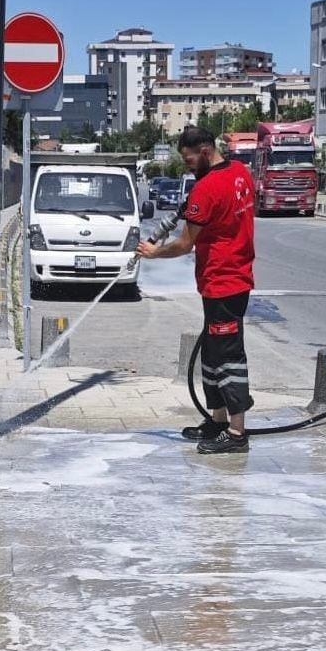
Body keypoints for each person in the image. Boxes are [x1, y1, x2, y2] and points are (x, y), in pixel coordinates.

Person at [138, 126, 257, 455]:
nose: (187, 166)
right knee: (213, 354)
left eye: (189, 160)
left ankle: (236, 432)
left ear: (205, 152)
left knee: (229, 356)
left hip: (224, 281)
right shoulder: (240, 173)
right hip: (229, 279)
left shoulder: (207, 188)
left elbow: (185, 243)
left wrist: (153, 253)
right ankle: (217, 420)